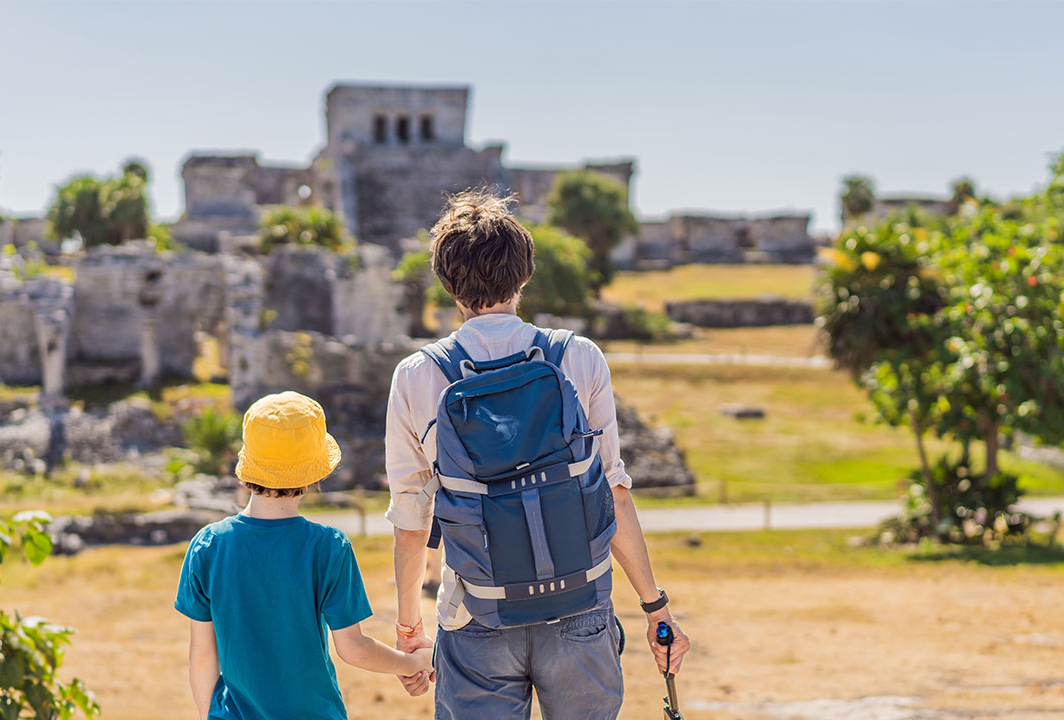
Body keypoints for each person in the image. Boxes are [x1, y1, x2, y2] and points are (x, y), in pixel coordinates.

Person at [384, 190, 692, 718]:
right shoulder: (579, 357)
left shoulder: (417, 376)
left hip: (475, 615)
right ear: (524, 275)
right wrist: (654, 607)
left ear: (447, 283)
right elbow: (612, 494)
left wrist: (410, 629)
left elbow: (413, 524)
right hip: (580, 604)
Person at [177, 391, 432, 720]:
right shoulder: (328, 547)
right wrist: (414, 663)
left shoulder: (207, 545)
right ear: (315, 474)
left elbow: (202, 655)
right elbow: (353, 649)